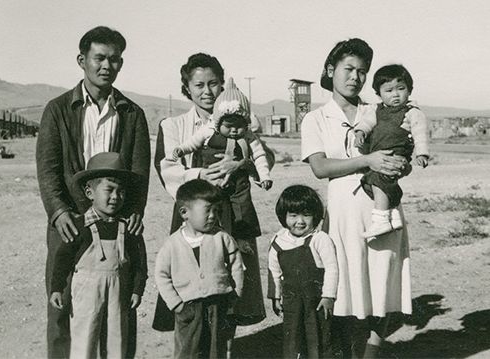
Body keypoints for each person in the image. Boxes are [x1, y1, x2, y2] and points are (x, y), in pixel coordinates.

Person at [36, 26, 151, 359]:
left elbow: (139, 175)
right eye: (99, 58)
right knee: (63, 307)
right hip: (70, 225)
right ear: (81, 60)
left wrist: (133, 214)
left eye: (115, 60)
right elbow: (48, 169)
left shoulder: (132, 114)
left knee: (119, 309)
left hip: (118, 223)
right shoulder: (58, 110)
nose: (106, 66)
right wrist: (59, 212)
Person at [301, 38, 412, 358]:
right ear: (330, 70)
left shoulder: (379, 110)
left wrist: (397, 164)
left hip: (383, 208)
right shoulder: (317, 118)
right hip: (344, 214)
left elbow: (402, 149)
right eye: (348, 69)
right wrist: (369, 160)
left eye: (362, 71)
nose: (355, 77)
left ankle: (372, 354)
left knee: (383, 286)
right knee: (347, 290)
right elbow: (320, 168)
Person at [153, 54, 267, 343]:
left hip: (235, 213)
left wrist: (240, 165)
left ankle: (225, 350)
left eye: (214, 83)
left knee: (228, 291)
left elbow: (265, 157)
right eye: (199, 85)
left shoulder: (241, 120)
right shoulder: (173, 125)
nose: (207, 92)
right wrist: (203, 174)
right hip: (194, 216)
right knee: (190, 292)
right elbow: (169, 170)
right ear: (187, 88)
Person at [49, 152, 147, 359]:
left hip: (118, 293)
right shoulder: (79, 227)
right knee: (84, 338)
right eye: (109, 190)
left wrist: (138, 289)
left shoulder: (128, 229)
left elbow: (139, 263)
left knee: (116, 340)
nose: (115, 197)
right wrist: (57, 288)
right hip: (86, 294)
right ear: (90, 192)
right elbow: (62, 259)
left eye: (121, 192)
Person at [155, 179, 244, 358]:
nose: (213, 215)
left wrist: (236, 292)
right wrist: (177, 304)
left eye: (216, 211)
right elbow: (161, 275)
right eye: (207, 210)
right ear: (184, 212)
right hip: (188, 308)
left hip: (218, 304)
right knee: (188, 350)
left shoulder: (221, 237)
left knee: (215, 349)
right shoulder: (172, 244)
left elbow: (237, 265)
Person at [353, 64, 430, 239]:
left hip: (396, 155)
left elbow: (420, 133)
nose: (395, 94)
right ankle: (393, 215)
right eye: (388, 90)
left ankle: (381, 220)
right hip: (379, 155)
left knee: (379, 179)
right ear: (379, 93)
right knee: (380, 182)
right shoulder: (376, 110)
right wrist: (360, 132)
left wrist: (422, 154)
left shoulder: (412, 112)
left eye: (400, 89)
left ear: (409, 90)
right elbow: (367, 123)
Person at [267, 185, 338, 358]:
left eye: (306, 215)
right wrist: (276, 297)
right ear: (284, 216)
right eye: (293, 215)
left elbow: (332, 268)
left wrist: (328, 296)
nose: (300, 221)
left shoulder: (320, 239)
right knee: (293, 339)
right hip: (292, 302)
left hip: (316, 302)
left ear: (315, 215)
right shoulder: (278, 241)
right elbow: (274, 271)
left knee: (319, 338)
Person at [171, 77, 273, 191]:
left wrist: (264, 177)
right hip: (211, 180)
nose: (234, 130)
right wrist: (182, 149)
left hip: (239, 184)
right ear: (218, 123)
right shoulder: (208, 130)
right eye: (229, 126)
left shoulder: (249, 137)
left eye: (239, 126)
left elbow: (260, 157)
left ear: (246, 124)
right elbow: (193, 142)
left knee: (244, 208)